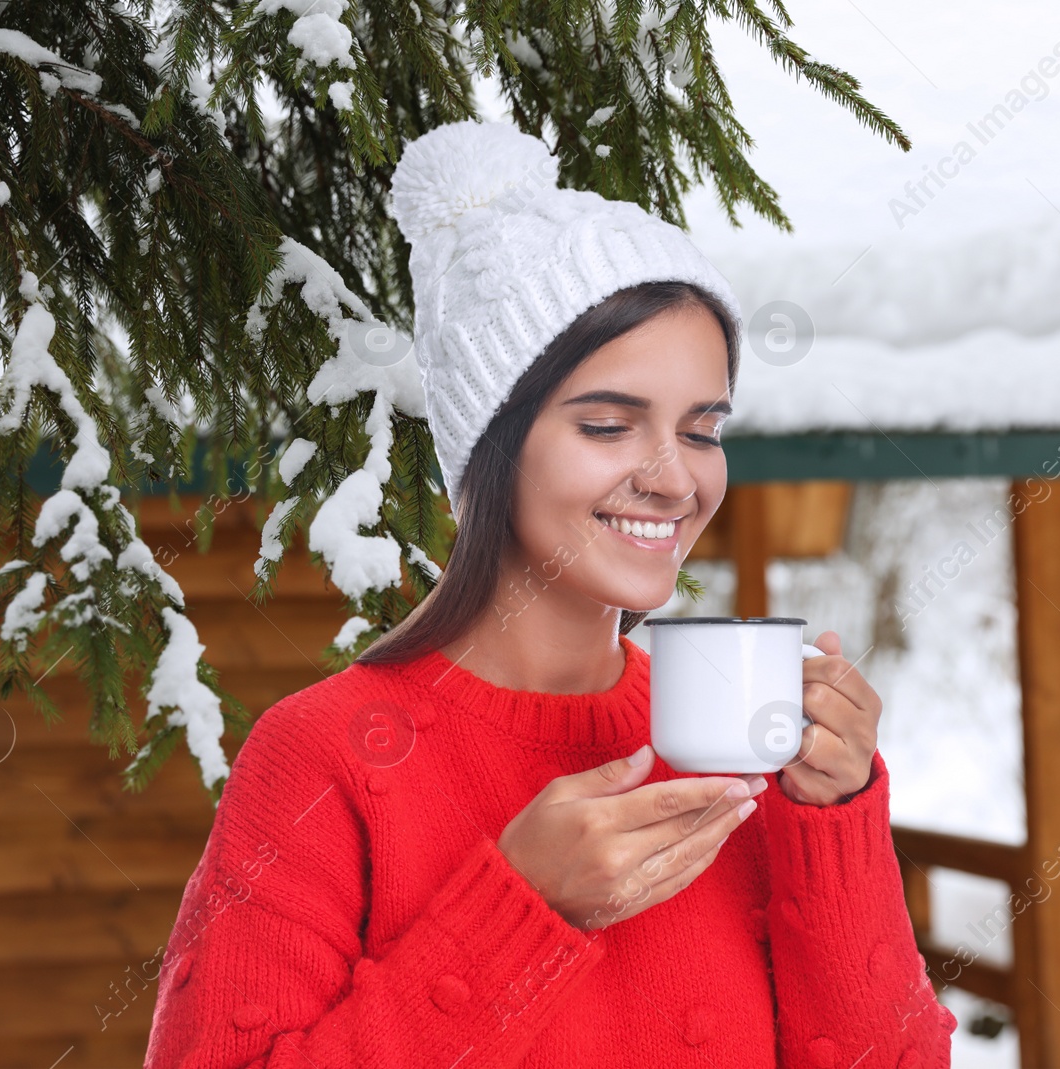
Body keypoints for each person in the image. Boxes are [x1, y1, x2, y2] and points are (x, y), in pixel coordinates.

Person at [143, 119, 957, 1068]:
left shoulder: (729, 736)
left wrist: (835, 819)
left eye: (701, 430)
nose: (674, 478)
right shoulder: (323, 757)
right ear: (493, 445)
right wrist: (518, 909)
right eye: (609, 425)